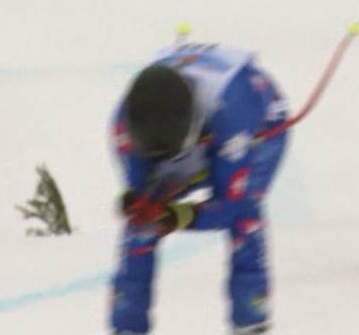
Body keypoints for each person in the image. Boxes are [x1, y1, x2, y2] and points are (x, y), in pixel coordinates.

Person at [109, 42, 290, 335]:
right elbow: (143, 205)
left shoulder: (235, 109)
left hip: (258, 127)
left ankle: (249, 322)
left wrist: (179, 216)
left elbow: (234, 207)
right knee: (141, 226)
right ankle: (127, 328)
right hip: (193, 134)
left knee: (246, 219)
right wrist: (144, 207)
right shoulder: (123, 126)